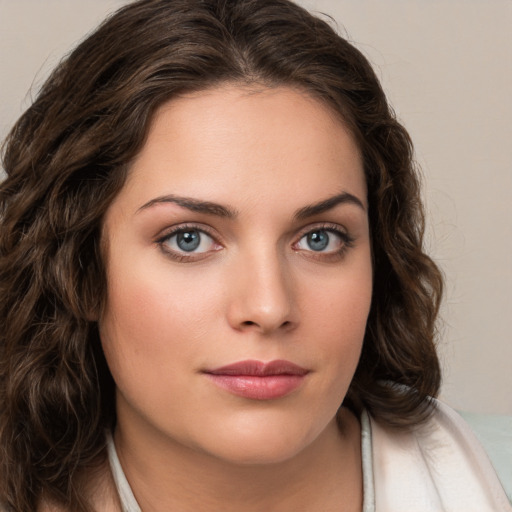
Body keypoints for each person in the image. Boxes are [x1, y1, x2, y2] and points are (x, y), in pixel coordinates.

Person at [0, 0, 509, 511]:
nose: (268, 307)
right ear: (79, 269)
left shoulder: (475, 473)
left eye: (319, 238)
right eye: (189, 239)